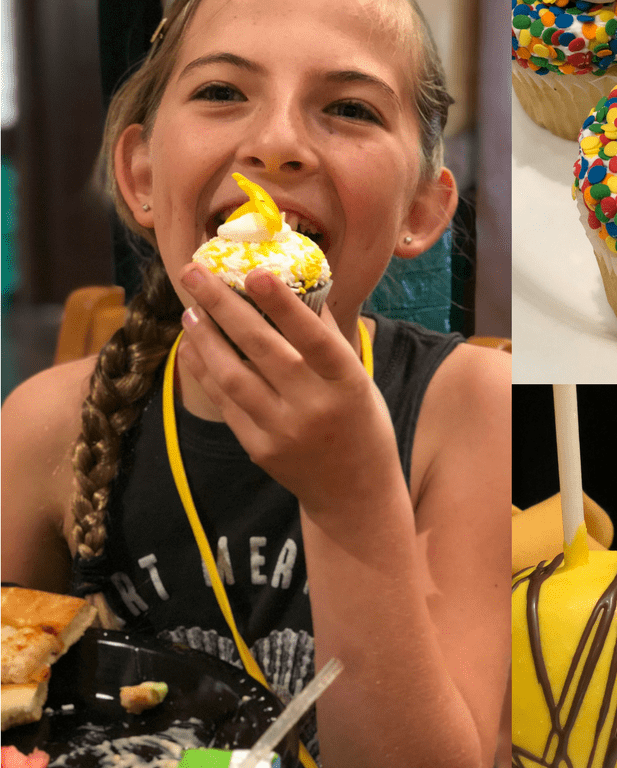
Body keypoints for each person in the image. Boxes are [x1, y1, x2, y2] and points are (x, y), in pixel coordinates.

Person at [0, 1, 510, 766]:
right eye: (221, 93)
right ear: (141, 175)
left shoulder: (471, 406)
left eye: (348, 107)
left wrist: (351, 499)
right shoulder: (46, 423)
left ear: (420, 208)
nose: (277, 144)